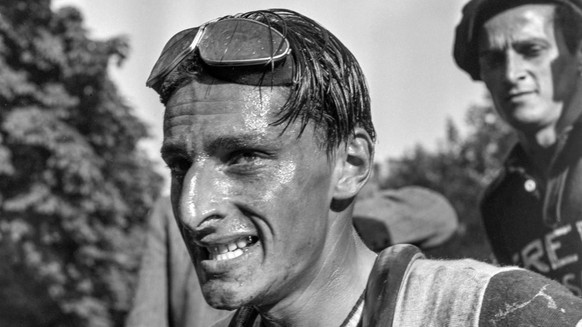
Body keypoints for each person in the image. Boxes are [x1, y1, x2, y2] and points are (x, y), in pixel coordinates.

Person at [147, 8, 582, 326]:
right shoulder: (503, 199)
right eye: (180, 165)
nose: (190, 209)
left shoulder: (499, 310)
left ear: (351, 164)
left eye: (244, 158)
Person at [125, 187, 459, 327]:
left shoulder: (332, 196)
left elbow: (440, 214)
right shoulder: (173, 213)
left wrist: (335, 222)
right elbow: (147, 316)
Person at [453, 0, 582, 295]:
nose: (512, 74)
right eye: (494, 60)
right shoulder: (499, 203)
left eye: (532, 50)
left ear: (578, 53)